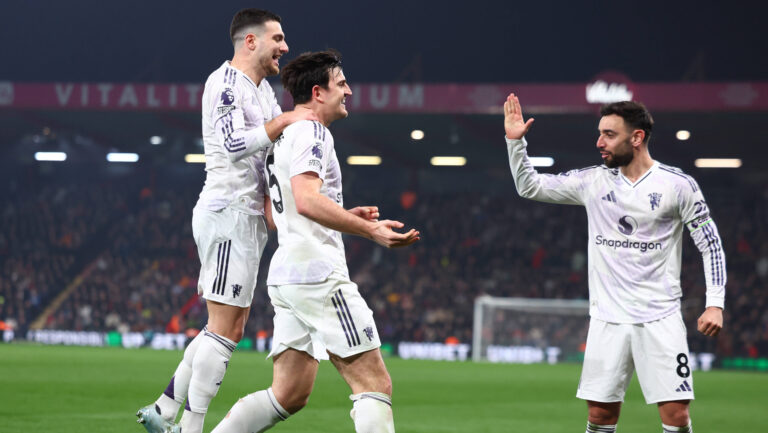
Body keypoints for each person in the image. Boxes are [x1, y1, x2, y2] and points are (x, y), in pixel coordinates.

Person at [207, 50, 420, 433]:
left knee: (288, 393)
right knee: (374, 383)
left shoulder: (285, 135)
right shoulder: (313, 132)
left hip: (288, 273)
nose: (349, 91)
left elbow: (281, 211)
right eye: (341, 84)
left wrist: (342, 216)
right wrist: (369, 230)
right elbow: (306, 200)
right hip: (317, 274)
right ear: (318, 92)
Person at [136, 8, 316, 433]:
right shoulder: (226, 84)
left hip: (246, 216)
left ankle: (164, 409)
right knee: (224, 330)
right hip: (228, 213)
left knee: (228, 326)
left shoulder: (262, 89)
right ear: (250, 41)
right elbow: (236, 144)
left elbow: (272, 147)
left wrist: (277, 200)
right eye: (278, 38)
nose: (285, 48)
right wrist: (287, 120)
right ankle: (191, 426)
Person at [503, 94, 725, 433]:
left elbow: (711, 245)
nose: (599, 142)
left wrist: (715, 304)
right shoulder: (593, 181)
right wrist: (515, 143)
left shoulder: (678, 186)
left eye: (609, 134)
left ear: (636, 138)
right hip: (608, 319)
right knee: (600, 416)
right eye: (599, 133)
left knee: (676, 415)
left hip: (660, 318)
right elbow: (529, 186)